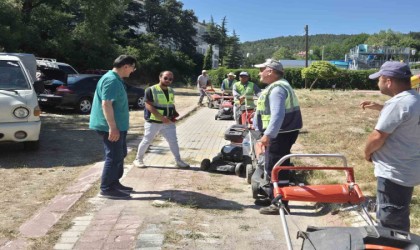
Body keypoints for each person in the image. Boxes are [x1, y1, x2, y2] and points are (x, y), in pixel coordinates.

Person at [361, 61, 420, 232]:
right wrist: (382, 107)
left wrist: (367, 153)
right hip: (408, 168)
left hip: (393, 172)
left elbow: (378, 137)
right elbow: (407, 119)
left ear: (388, 81)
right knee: (399, 214)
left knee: (390, 222)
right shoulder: (415, 99)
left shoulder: (398, 104)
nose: (377, 82)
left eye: (379, 78)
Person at [252, 59, 303, 215]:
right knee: (274, 166)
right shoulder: (278, 86)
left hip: (279, 134)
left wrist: (268, 135)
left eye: (261, 70)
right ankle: (273, 197)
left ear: (270, 71)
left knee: (276, 168)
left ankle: (280, 203)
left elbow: (277, 114)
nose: (259, 73)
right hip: (283, 132)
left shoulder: (277, 89)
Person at [89, 55, 137, 199]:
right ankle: (106, 188)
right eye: (133, 68)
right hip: (110, 127)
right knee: (114, 156)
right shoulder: (110, 80)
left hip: (119, 126)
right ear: (126, 66)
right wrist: (113, 127)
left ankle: (114, 183)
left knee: (120, 154)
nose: (133, 71)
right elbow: (106, 103)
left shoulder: (116, 79)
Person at [133, 71, 190, 169]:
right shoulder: (151, 90)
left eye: (170, 79)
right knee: (147, 140)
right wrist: (161, 117)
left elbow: (170, 104)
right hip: (153, 121)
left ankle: (178, 161)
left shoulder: (171, 90)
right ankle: (138, 159)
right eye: (166, 78)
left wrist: (173, 115)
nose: (168, 80)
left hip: (168, 122)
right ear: (160, 77)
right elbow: (148, 105)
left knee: (173, 141)